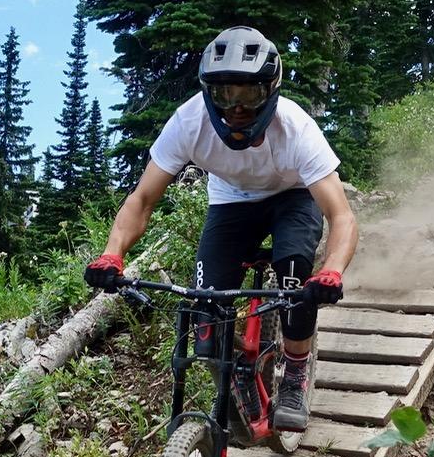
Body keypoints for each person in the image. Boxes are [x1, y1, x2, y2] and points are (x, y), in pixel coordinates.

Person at [83, 26, 357, 432]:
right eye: (224, 94)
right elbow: (141, 200)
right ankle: (234, 376)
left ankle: (296, 372)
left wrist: (332, 269)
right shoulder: (188, 123)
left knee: (295, 275)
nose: (237, 108)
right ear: (208, 92)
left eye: (250, 94)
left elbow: (342, 217)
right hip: (231, 202)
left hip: (293, 196)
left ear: (272, 89)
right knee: (205, 306)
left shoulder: (296, 129)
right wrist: (112, 252)